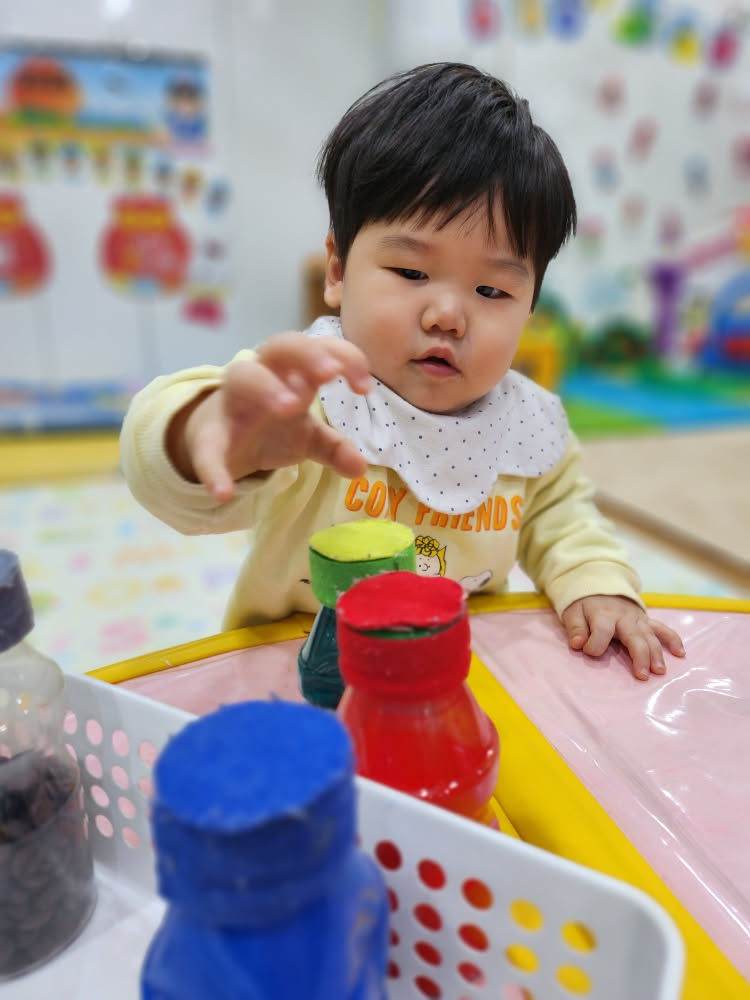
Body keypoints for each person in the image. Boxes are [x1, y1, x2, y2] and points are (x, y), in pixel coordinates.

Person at [121, 62, 684, 681]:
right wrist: (206, 433)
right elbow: (174, 473)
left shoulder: (525, 426)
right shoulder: (306, 398)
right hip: (298, 677)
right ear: (338, 270)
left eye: (492, 291)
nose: (448, 316)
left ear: (530, 305)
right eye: (412, 273)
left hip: (450, 679)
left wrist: (597, 583)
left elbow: (563, 519)